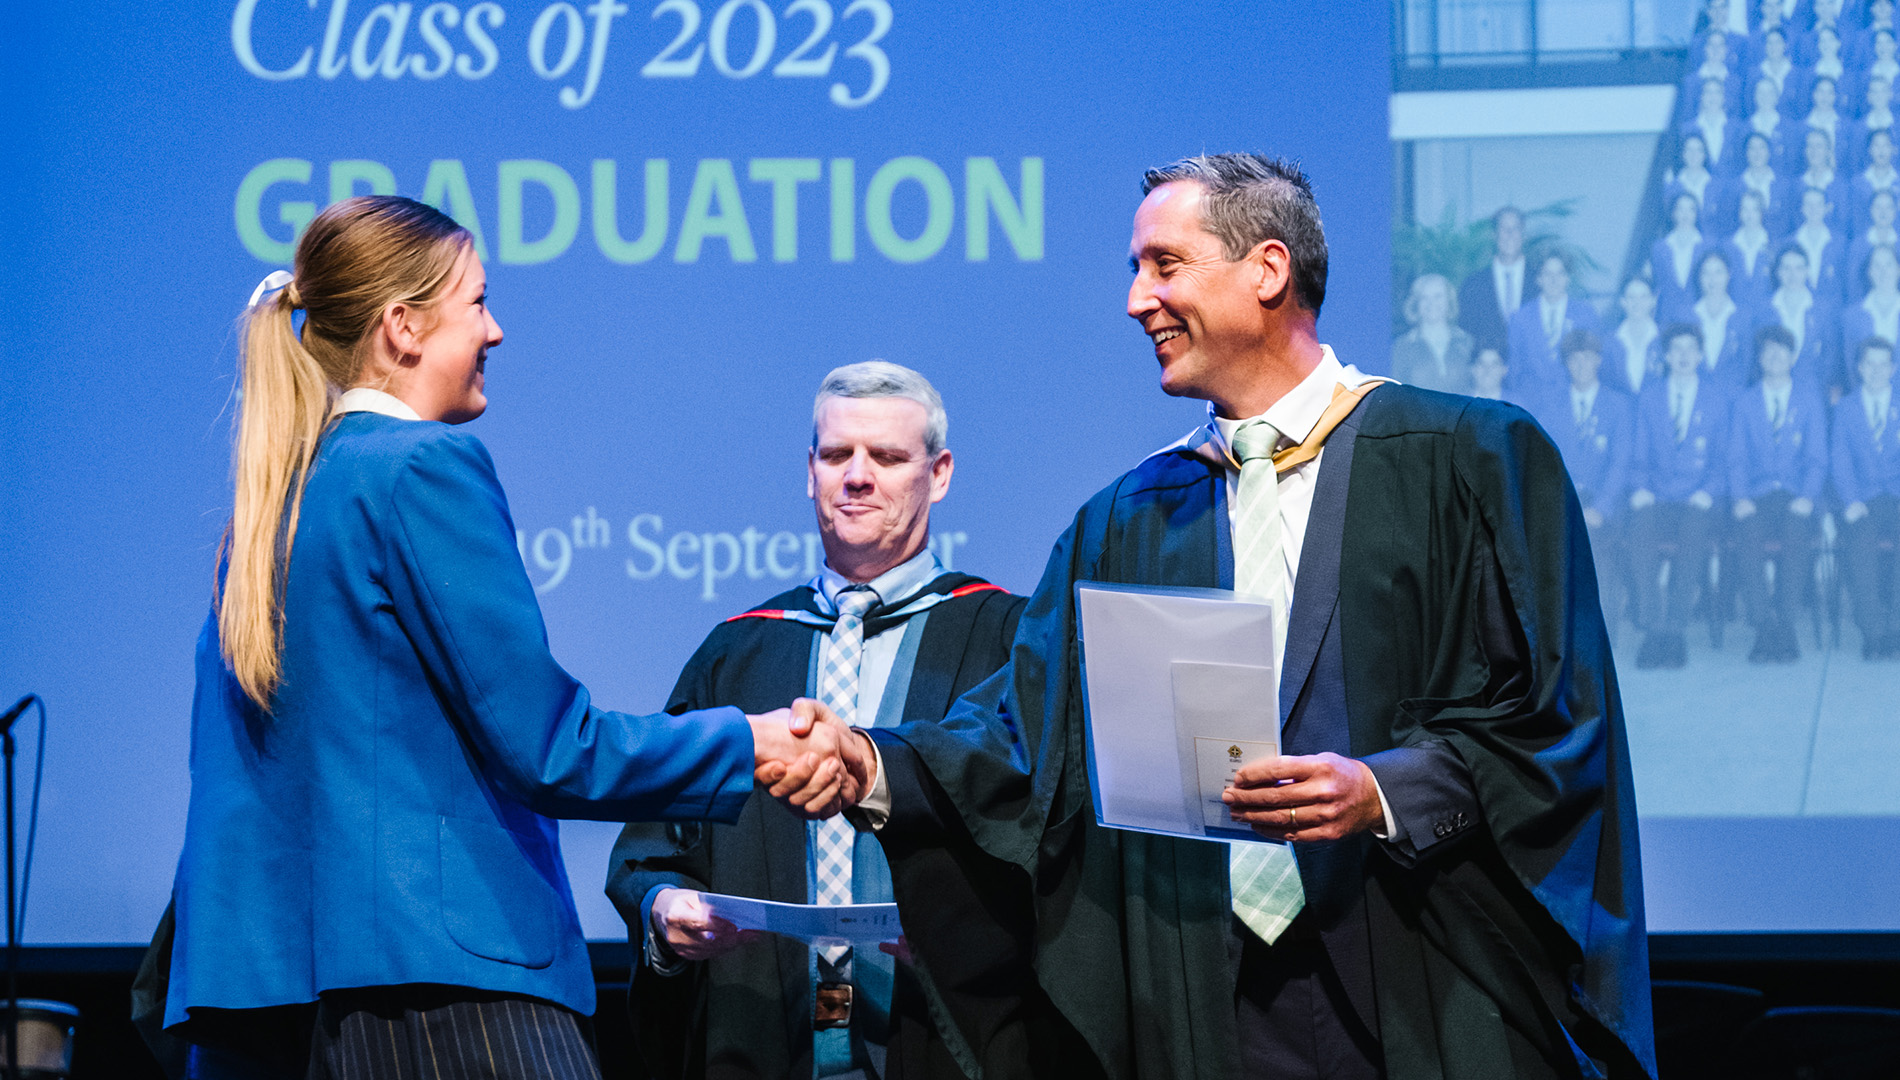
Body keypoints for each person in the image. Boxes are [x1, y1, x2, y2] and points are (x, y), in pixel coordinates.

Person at [846, 153, 1654, 1079]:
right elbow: (1027, 735)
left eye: (1164, 265)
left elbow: (1557, 717)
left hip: (1425, 973)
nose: (1135, 300)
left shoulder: (1467, 460)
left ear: (1267, 270)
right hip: (1203, 994)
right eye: (1135, 270)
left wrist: (1383, 791)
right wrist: (871, 765)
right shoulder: (1127, 518)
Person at [151, 196, 869, 1079]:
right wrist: (748, 742)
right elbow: (548, 746)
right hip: (441, 995)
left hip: (257, 1004)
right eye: (478, 303)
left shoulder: (270, 505)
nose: (497, 331)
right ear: (403, 326)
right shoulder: (419, 467)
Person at [605, 362, 1053, 1080]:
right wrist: (664, 910)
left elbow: (1045, 837)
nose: (858, 476)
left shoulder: (1009, 638)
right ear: (809, 471)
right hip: (760, 1038)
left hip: (947, 1038)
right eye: (838, 455)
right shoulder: (738, 651)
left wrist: (970, 923)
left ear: (937, 474)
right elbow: (653, 849)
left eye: (887, 457)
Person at [1628, 324, 1731, 668]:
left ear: (1700, 356)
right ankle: (1652, 626)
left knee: (1693, 532)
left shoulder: (1716, 400)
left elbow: (1723, 461)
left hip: (1697, 499)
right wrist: (1640, 488)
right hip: (1657, 498)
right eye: (1677, 350)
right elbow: (1638, 456)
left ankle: (1675, 629)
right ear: (1667, 356)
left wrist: (1708, 491)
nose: (1684, 356)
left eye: (1691, 349)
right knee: (1639, 528)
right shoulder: (1650, 397)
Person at [1727, 326, 1827, 662]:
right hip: (1756, 495)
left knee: (1796, 536)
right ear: (1760, 360)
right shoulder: (1745, 402)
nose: (1775, 358)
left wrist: (1808, 497)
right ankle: (1762, 623)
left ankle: (1785, 621)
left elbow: (1817, 459)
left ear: (1792, 357)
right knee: (1747, 536)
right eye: (1768, 353)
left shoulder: (1809, 399)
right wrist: (1740, 497)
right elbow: (1736, 457)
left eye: (1782, 353)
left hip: (1795, 494)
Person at [1538, 329, 1635, 626]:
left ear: (1598, 362)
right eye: (1574, 359)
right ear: (1566, 363)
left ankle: (1597, 626)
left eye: (1588, 359)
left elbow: (1620, 464)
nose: (1581, 366)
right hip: (1562, 497)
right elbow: (1543, 460)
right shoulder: (1550, 404)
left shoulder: (1618, 405)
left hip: (1602, 502)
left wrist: (1600, 508)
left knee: (1591, 541)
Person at [1832, 336, 1900, 657]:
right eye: (1869, 364)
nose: (1876, 371)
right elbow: (1840, 460)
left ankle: (1897, 629)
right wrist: (1851, 500)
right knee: (1861, 547)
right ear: (1859, 368)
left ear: (1893, 368)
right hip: (1864, 498)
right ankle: (1872, 631)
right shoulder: (1846, 408)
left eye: (1883, 364)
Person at [1507, 250, 1603, 415]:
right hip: (1531, 407)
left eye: (1560, 273)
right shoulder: (1521, 319)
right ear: (1539, 279)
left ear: (1568, 278)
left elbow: (1596, 365)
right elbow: (1514, 369)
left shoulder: (1585, 315)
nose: (1554, 280)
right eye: (1548, 274)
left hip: (1572, 408)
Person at [1456, 206, 1526, 355]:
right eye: (1503, 228)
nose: (1509, 234)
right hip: (1487, 372)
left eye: (1515, 228)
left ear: (1523, 234)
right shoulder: (1473, 285)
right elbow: (1465, 332)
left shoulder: (1541, 280)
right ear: (1494, 234)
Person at [1390, 273, 1475, 392]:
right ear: (1416, 303)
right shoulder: (1402, 346)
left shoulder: (1467, 342)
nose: (1432, 303)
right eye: (1424, 297)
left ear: (1449, 300)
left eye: (1438, 296)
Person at [1691, 249, 1753, 386]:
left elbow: (1747, 365)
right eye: (1706, 273)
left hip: (1731, 398)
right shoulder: (1688, 317)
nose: (1712, 279)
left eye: (1718, 272)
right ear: (1699, 277)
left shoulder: (1743, 318)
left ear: (1728, 275)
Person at [1654, 192, 1711, 323]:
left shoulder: (1707, 247)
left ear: (1696, 214)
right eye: (1680, 209)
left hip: (1699, 314)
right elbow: (1659, 285)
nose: (1685, 215)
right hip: (1667, 315)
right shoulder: (1660, 248)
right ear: (1673, 213)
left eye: (1690, 209)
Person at [1605, 276, 1665, 396]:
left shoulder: (1665, 340)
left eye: (1643, 297)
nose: (1637, 303)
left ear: (1653, 300)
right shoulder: (1609, 342)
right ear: (1623, 302)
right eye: (1631, 297)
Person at [1844, 244, 1900, 359]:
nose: (1883, 272)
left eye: (1889, 265)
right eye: (1877, 266)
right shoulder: (1852, 316)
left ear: (1898, 270)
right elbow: (1851, 362)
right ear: (1869, 272)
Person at [1728, 188, 1779, 309]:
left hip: (1767, 309)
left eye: (1754, 210)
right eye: (1745, 209)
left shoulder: (1773, 246)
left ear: (1762, 212)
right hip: (1735, 309)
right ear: (1739, 212)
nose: (1749, 215)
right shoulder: (1729, 247)